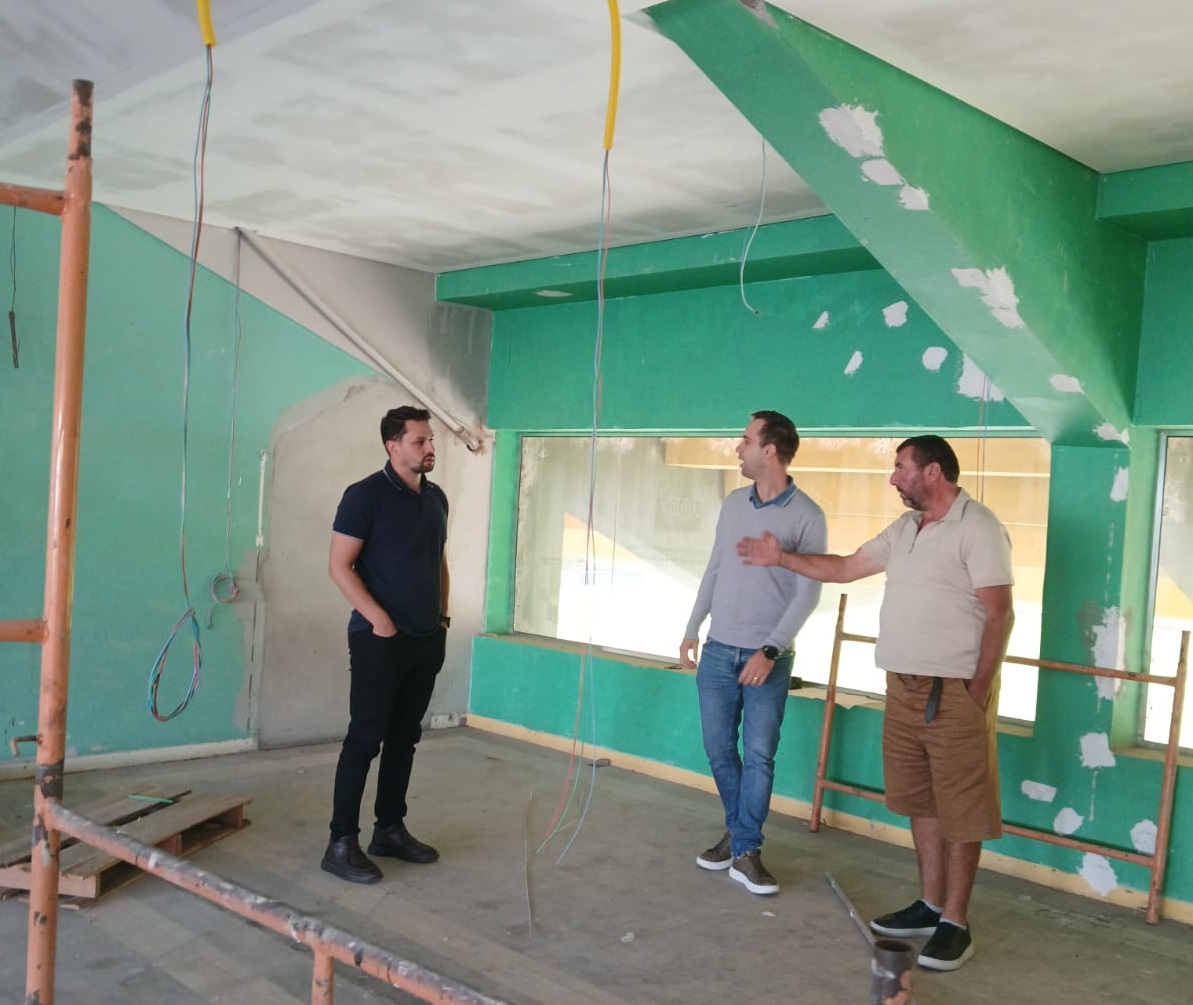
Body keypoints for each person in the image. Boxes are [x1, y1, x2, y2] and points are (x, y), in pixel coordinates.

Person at [737, 434, 1014, 970]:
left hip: (954, 690)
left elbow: (1000, 614)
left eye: (901, 467)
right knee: (920, 801)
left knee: (962, 810)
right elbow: (845, 567)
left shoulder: (978, 528)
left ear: (932, 472)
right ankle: (930, 904)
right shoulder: (906, 528)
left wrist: (978, 689)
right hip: (903, 689)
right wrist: (783, 558)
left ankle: (956, 922)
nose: (893, 477)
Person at [680, 410, 826, 896]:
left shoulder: (808, 516)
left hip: (769, 658)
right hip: (718, 650)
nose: (737, 448)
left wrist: (771, 649)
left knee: (759, 756)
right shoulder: (733, 504)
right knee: (719, 750)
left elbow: (809, 594)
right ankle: (740, 839)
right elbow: (715, 568)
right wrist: (692, 626)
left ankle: (746, 851)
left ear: (770, 450)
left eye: (745, 440)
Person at [320, 405, 451, 884]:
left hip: (426, 638)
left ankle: (389, 829)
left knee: (404, 738)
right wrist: (380, 621)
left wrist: (442, 618)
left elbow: (438, 560)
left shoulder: (435, 498)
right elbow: (339, 566)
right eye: (420, 441)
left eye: (431, 439)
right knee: (364, 740)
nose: (430, 448)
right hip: (379, 640)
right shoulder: (364, 496)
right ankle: (340, 843)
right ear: (392, 446)